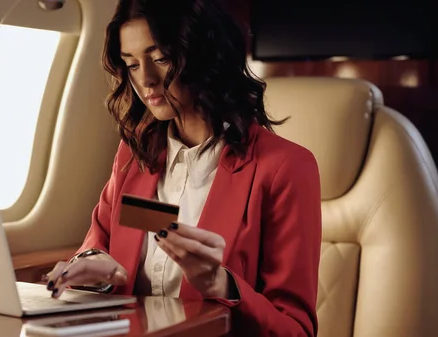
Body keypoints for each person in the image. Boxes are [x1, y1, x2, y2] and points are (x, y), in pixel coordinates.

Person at [45, 0, 322, 335]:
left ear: (204, 54)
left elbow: (296, 329)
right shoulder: (134, 155)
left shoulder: (284, 168)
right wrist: (96, 271)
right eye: (131, 65)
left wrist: (221, 284)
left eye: (160, 58)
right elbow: (99, 245)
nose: (146, 80)